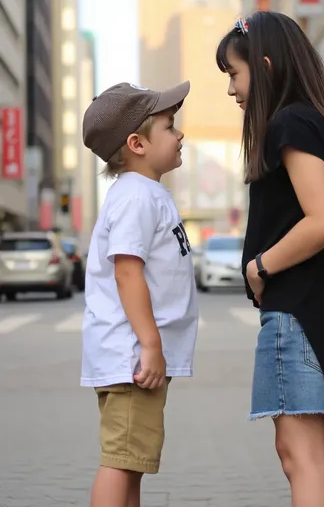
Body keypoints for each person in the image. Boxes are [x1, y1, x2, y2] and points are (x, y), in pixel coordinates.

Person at [216, 12, 324, 507]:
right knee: (319, 456)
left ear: (263, 68)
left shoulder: (289, 123)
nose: (231, 90)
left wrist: (258, 268)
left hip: (301, 314)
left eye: (234, 74)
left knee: (299, 455)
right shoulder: (314, 119)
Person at [81, 81, 198, 507]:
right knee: (120, 459)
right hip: (132, 355)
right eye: (169, 126)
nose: (179, 133)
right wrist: (150, 344)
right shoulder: (135, 196)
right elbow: (128, 273)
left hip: (132, 355)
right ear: (137, 143)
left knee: (131, 461)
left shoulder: (145, 193)